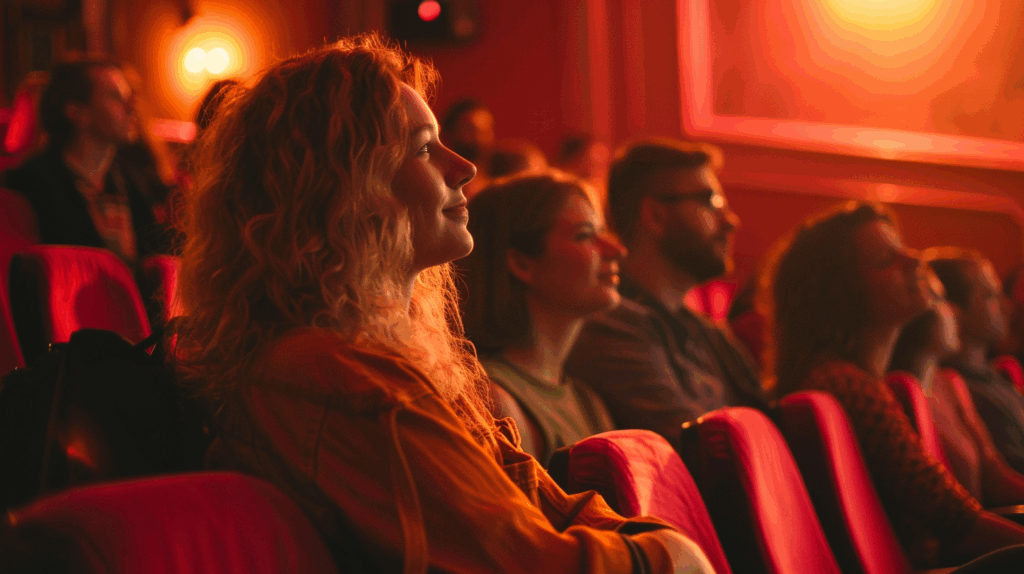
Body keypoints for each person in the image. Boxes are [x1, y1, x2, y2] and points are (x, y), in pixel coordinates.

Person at [173, 34, 713, 573]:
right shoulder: (341, 378)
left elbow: (546, 503)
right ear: (343, 188)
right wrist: (668, 556)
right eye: (424, 149)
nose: (465, 168)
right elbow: (533, 564)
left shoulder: (388, 364)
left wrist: (659, 546)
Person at [768, 201, 1024, 568]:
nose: (914, 259)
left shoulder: (857, 381)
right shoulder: (847, 386)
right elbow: (959, 523)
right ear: (841, 293)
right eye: (886, 259)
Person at [565, 138, 766, 444]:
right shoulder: (611, 329)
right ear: (655, 215)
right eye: (711, 202)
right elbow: (702, 452)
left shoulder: (706, 331)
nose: (730, 221)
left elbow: (771, 427)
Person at [458, 172, 620, 466]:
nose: (616, 250)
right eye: (585, 235)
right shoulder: (493, 400)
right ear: (522, 263)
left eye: (602, 232)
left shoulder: (587, 401)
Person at [3, 56, 162, 266]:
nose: (131, 107)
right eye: (116, 97)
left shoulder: (131, 181)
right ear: (77, 113)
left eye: (129, 97)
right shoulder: (30, 185)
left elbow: (155, 254)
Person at [889, 264, 1024, 506]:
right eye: (939, 298)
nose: (953, 311)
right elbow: (952, 512)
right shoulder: (898, 396)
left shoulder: (950, 382)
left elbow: (996, 473)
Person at [931, 249, 1024, 476]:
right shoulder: (965, 392)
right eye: (989, 296)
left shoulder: (995, 376)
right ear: (954, 311)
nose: (1007, 306)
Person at [440, 98, 494, 198]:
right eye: (470, 129)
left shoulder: (501, 177)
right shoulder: (439, 183)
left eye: (485, 130)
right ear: (450, 132)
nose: (480, 137)